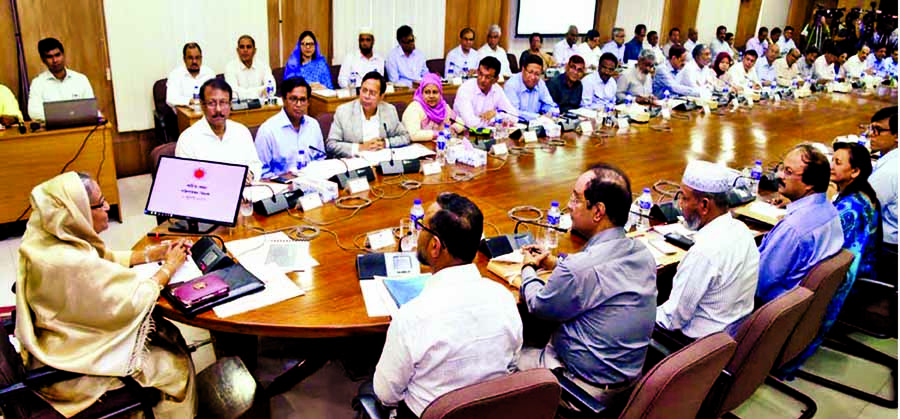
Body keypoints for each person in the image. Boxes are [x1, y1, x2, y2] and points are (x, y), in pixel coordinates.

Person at [16, 171, 195, 418]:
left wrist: (151, 255)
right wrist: (170, 267)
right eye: (100, 203)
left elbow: (99, 258)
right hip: (75, 365)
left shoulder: (48, 236)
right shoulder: (66, 263)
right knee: (174, 364)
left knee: (167, 334)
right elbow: (133, 300)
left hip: (60, 341)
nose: (108, 207)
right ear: (77, 212)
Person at [518, 163, 657, 411]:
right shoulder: (642, 253)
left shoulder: (578, 270)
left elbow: (538, 305)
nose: (569, 206)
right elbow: (599, 273)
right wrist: (556, 263)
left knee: (502, 358)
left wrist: (528, 268)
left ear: (598, 212)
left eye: (575, 198)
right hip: (627, 388)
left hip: (580, 392)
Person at [372, 192, 522, 418]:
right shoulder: (505, 299)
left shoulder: (412, 317)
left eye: (421, 226)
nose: (418, 231)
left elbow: (386, 394)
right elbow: (512, 364)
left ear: (435, 246)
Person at [777, 142, 881, 378]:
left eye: (838, 162)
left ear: (855, 172)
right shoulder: (861, 195)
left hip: (842, 282)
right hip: (849, 274)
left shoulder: (849, 208)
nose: (831, 166)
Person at [656, 160, 759, 340]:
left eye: (684, 198)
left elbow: (671, 320)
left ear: (704, 205)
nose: (680, 204)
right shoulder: (742, 230)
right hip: (728, 338)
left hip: (692, 347)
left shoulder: (704, 253)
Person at [756, 144, 843, 303]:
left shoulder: (793, 229)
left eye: (788, 172)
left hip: (771, 308)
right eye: (781, 168)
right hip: (805, 307)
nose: (779, 175)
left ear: (810, 183)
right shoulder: (831, 211)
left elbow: (759, 284)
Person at [175, 78, 262, 182]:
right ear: (202, 105)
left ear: (230, 105)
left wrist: (250, 174)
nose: (218, 109)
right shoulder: (188, 139)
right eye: (212, 103)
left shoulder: (241, 132)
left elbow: (255, 164)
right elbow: (186, 180)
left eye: (223, 102)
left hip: (245, 193)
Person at [326, 71, 410, 157]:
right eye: (364, 90)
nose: (366, 96)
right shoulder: (344, 111)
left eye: (372, 93)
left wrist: (385, 143)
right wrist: (360, 147)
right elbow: (331, 144)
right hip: (355, 162)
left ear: (381, 96)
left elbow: (405, 137)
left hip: (381, 161)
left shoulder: (389, 110)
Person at [255, 77, 324, 178]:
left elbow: (320, 159)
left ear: (308, 102)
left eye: (303, 100)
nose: (298, 105)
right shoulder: (268, 130)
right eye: (293, 99)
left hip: (312, 183)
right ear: (283, 100)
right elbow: (261, 172)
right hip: (282, 188)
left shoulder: (313, 125)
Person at [28, 38, 95, 121]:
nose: (55, 60)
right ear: (43, 60)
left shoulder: (80, 79)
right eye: (49, 57)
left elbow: (91, 109)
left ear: (63, 54)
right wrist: (67, 115)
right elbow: (34, 113)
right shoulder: (38, 83)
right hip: (53, 132)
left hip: (80, 129)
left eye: (57, 55)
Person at [452, 56, 516, 128]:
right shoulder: (465, 89)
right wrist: (496, 120)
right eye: (480, 74)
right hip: (463, 134)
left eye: (487, 77)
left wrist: (496, 114)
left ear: (496, 79)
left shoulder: (497, 90)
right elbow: (471, 123)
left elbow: (514, 116)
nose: (482, 80)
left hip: (488, 134)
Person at [868, 106, 898, 247]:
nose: (871, 134)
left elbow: (864, 208)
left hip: (889, 248)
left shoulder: (889, 171)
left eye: (878, 130)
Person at [402, 73, 458, 142]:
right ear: (421, 93)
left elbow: (460, 122)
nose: (431, 96)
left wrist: (453, 128)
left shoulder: (443, 106)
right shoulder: (414, 108)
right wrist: (440, 133)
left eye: (435, 92)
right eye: (427, 92)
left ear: (440, 93)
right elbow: (413, 135)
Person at [503, 54, 558, 121]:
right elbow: (513, 113)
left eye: (537, 74)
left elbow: (549, 103)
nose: (533, 77)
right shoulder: (511, 85)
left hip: (537, 124)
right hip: (517, 125)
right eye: (530, 72)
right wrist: (537, 117)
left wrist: (552, 112)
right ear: (523, 69)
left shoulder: (540, 83)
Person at [224, 35, 276, 101]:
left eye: (248, 47)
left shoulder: (263, 66)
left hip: (262, 108)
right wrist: (260, 91)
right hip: (240, 108)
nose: (245, 50)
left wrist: (242, 93)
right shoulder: (230, 67)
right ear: (237, 50)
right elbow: (233, 93)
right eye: (242, 47)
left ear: (254, 50)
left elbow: (271, 88)